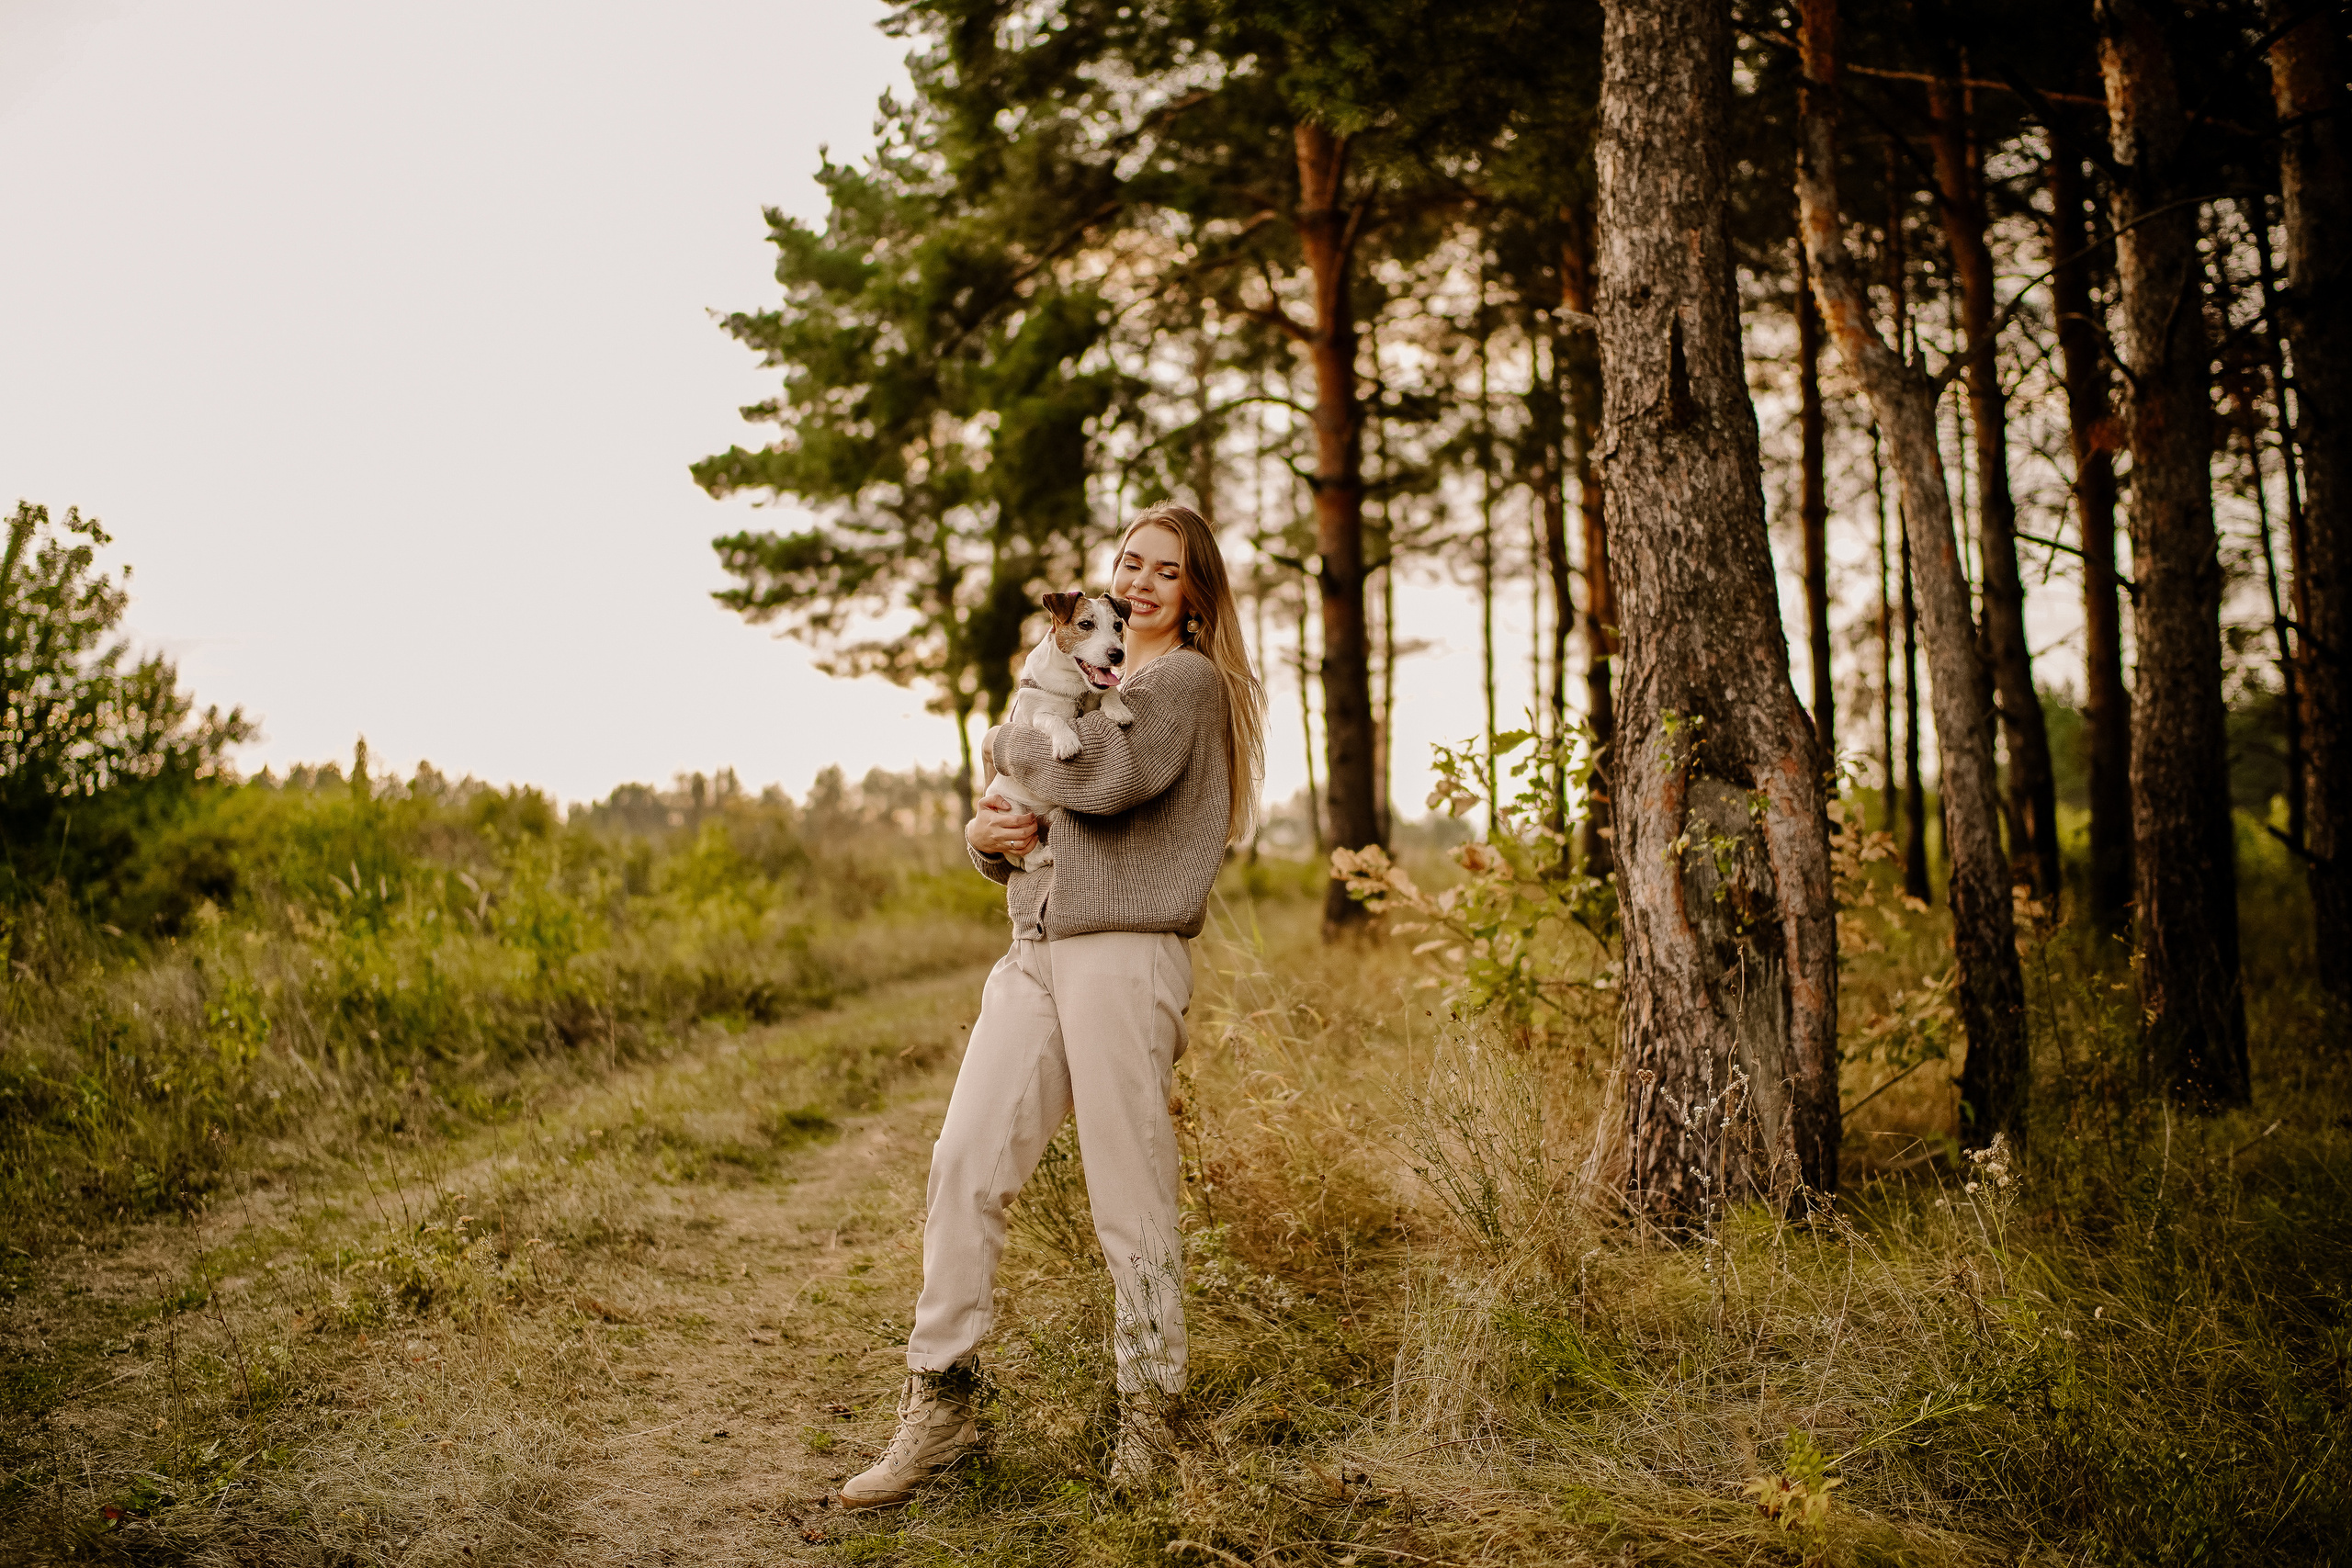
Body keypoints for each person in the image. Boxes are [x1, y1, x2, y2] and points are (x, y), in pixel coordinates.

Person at [840, 503, 1266, 1506]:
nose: (1147, 582)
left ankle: (1151, 1420)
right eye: (1132, 563)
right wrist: (986, 839)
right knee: (963, 1163)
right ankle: (939, 1408)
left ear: (1197, 595)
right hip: (1034, 946)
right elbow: (1022, 819)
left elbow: (1106, 780)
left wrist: (1000, 743)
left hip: (1124, 955)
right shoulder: (1081, 679)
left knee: (1130, 1193)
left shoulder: (1183, 683)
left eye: (1171, 570)